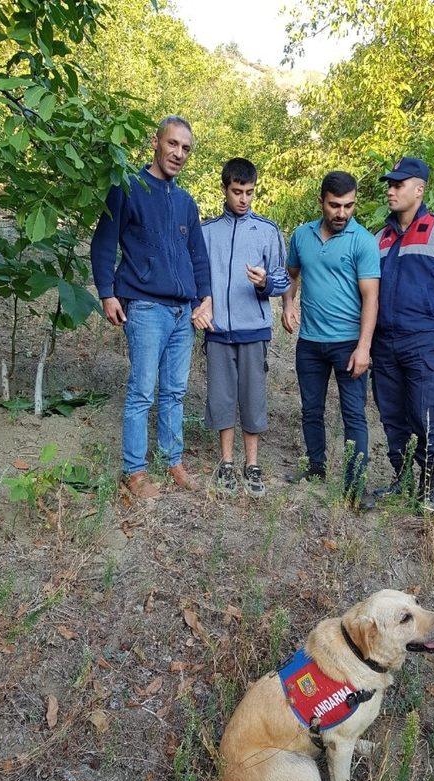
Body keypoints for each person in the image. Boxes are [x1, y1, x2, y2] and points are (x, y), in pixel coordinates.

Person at [90, 116, 212, 498]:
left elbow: (199, 257)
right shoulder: (128, 188)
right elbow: (103, 243)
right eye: (172, 144)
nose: (178, 153)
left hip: (182, 314)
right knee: (142, 391)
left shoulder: (185, 202)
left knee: (175, 392)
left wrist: (204, 297)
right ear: (156, 143)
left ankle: (173, 462)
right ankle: (134, 472)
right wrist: (107, 293)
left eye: (186, 148)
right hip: (145, 308)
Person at [371, 157, 434, 510]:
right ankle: (402, 481)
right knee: (392, 416)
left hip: (423, 341)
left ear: (419, 189)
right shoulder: (379, 238)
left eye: (399, 184)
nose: (391, 190)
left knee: (425, 413)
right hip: (384, 344)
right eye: (390, 184)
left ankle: (429, 489)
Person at [282, 171, 380, 503]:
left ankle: (355, 485)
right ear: (321, 201)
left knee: (353, 414)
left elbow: (371, 298)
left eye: (349, 205)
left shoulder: (363, 242)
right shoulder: (301, 235)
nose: (342, 213)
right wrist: (287, 304)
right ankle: (315, 468)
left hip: (349, 344)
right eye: (335, 205)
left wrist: (364, 347)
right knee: (311, 409)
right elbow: (291, 275)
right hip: (310, 342)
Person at [201, 158, 290, 497]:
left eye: (249, 193)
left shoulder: (267, 231)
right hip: (219, 331)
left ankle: (251, 464)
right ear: (224, 189)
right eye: (237, 192)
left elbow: (282, 280)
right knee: (221, 397)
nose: (243, 199)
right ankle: (225, 463)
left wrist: (266, 282)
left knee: (253, 399)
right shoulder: (207, 231)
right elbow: (199, 277)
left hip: (254, 330)